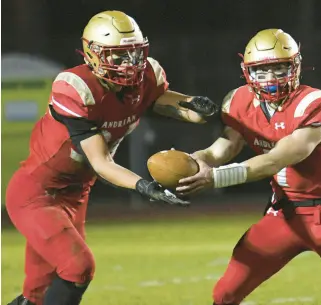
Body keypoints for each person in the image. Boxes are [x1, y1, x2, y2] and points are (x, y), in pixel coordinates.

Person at [6, 10, 219, 305]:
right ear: (93, 54)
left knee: (38, 294)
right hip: (37, 193)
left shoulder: (146, 78)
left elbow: (165, 101)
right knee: (77, 268)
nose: (129, 64)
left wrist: (197, 106)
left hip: (76, 193)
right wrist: (145, 187)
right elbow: (101, 162)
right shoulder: (76, 88)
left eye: (134, 54)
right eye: (119, 56)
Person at [176, 29, 321, 304]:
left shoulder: (314, 102)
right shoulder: (238, 101)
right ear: (248, 72)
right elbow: (223, 148)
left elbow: (275, 160)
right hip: (284, 215)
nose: (270, 79)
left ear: (294, 66)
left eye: (279, 69)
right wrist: (193, 163)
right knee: (224, 293)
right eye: (262, 71)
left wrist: (215, 178)